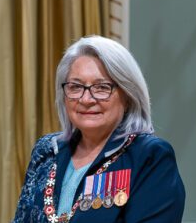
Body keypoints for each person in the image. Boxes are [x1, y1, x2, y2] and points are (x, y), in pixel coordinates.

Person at [13, 36, 185, 222]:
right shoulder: (46, 150)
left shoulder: (149, 156)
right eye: (76, 87)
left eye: (102, 88)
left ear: (128, 95)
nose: (86, 99)